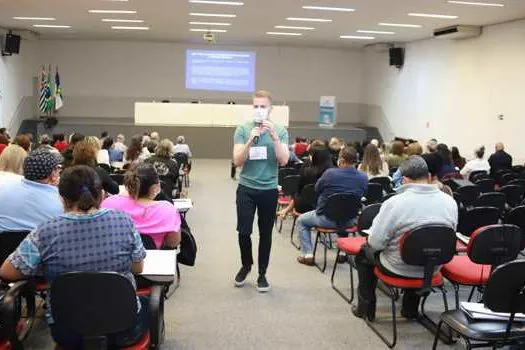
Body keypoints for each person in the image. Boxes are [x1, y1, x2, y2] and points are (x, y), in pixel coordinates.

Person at [0, 165, 148, 348]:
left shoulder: (45, 231)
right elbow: (138, 268)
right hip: (124, 329)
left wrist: (44, 266)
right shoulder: (124, 222)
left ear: (62, 198)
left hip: (67, 332)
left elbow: (7, 272)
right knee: (146, 303)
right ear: (101, 195)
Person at [352, 156, 458, 321]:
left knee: (364, 253)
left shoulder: (395, 203)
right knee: (420, 248)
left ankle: (365, 309)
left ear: (404, 180)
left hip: (398, 267)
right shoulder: (449, 202)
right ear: (428, 176)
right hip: (433, 267)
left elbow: (375, 243)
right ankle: (410, 309)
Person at [232, 89, 289, 292]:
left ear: (270, 108)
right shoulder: (242, 129)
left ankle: (262, 274)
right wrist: (250, 140)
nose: (259, 110)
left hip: (268, 189)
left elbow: (284, 160)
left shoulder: (280, 130)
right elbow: (237, 161)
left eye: (263, 106)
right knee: (244, 231)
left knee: (266, 233)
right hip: (246, 188)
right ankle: (246, 265)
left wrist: (273, 136)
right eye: (255, 106)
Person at [297, 147, 368, 266]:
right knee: (343, 211)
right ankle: (342, 254)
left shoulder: (330, 173)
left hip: (326, 218)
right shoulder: (363, 177)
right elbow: (363, 195)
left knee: (301, 221)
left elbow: (317, 188)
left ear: (342, 160)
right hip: (350, 220)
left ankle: (307, 254)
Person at [102, 163, 181, 249]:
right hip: (153, 260)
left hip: (118, 259)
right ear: (154, 187)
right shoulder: (168, 210)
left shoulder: (108, 204)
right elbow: (173, 242)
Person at [0, 150, 63, 231]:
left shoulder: (4, 189)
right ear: (53, 173)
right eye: (58, 168)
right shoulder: (60, 201)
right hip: (41, 242)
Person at [277, 146, 333, 219]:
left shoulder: (306, 172)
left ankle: (287, 210)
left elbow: (299, 190)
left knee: (300, 192)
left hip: (305, 206)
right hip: (327, 206)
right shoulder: (333, 172)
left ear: (314, 157)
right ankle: (287, 210)